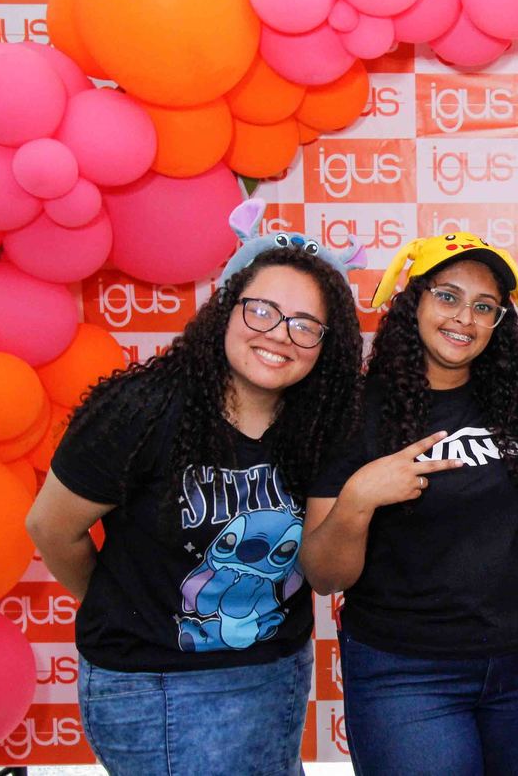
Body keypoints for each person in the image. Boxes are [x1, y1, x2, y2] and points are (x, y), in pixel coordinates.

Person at [26, 240, 364, 775]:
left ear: (326, 344)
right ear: (225, 308)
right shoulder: (140, 409)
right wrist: (126, 605)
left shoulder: (323, 424)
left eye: (305, 325)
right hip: (157, 683)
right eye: (262, 310)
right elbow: (51, 528)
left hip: (277, 671)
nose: (280, 334)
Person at [300, 232, 518, 776]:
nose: (465, 318)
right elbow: (323, 575)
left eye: (484, 307)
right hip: (405, 672)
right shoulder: (356, 410)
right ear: (414, 302)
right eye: (448, 296)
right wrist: (358, 499)